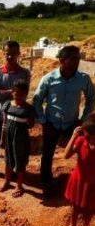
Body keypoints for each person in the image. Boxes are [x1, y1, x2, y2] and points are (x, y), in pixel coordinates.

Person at [33, 46, 95, 194]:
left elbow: (91, 98)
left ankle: (78, 182)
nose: (76, 62)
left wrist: (83, 120)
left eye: (78, 59)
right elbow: (37, 100)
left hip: (72, 124)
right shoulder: (49, 79)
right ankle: (45, 182)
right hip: (51, 123)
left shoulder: (83, 79)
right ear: (62, 60)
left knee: (78, 151)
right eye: (72, 59)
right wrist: (43, 120)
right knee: (47, 154)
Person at [0, 41, 30, 179]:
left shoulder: (24, 73)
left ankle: (13, 170)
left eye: (13, 53)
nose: (10, 57)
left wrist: (3, 91)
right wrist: (13, 91)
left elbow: (24, 94)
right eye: (7, 53)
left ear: (18, 54)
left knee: (13, 146)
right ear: (3, 53)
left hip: (15, 118)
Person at [0, 80, 35, 198]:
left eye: (22, 94)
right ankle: (7, 181)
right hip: (9, 137)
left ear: (26, 94)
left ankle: (19, 185)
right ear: (12, 92)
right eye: (16, 93)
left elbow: (30, 125)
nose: (18, 96)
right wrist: (2, 138)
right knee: (8, 159)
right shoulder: (8, 105)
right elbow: (4, 123)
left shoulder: (28, 109)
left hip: (21, 139)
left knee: (20, 160)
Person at [62, 117, 95, 226]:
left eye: (85, 133)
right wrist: (73, 136)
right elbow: (66, 155)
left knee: (90, 208)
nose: (83, 134)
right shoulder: (81, 141)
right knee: (75, 205)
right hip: (79, 179)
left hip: (92, 183)